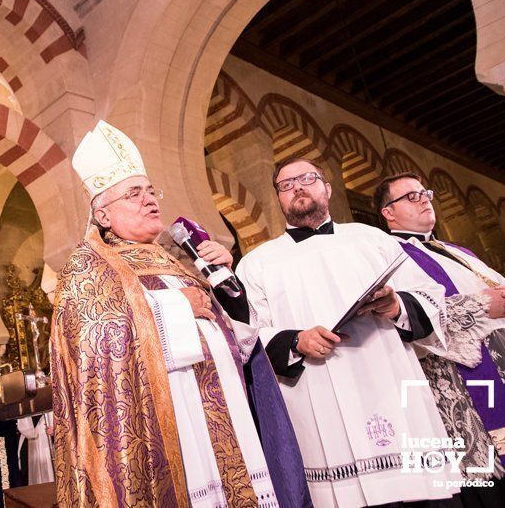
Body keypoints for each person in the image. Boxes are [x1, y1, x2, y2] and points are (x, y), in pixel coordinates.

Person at [51, 121, 309, 507]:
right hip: (170, 425)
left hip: (226, 415)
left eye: (151, 191)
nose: (150, 200)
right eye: (134, 194)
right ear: (103, 215)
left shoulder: (179, 262)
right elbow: (92, 342)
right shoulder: (89, 270)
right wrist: (176, 307)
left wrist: (227, 285)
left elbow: (238, 337)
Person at [235, 157, 460, 507]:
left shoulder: (372, 239)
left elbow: (431, 297)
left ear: (326, 187)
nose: (297, 186)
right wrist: (295, 340)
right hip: (317, 393)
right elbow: (249, 334)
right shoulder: (256, 263)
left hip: (390, 380)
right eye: (286, 184)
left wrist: (395, 306)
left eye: (308, 178)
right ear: (279, 198)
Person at [375, 172, 505, 505]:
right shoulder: (389, 254)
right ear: (388, 212)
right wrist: (484, 305)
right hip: (455, 384)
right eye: (411, 196)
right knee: (485, 481)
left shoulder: (457, 250)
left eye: (425, 192)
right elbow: (406, 315)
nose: (425, 198)